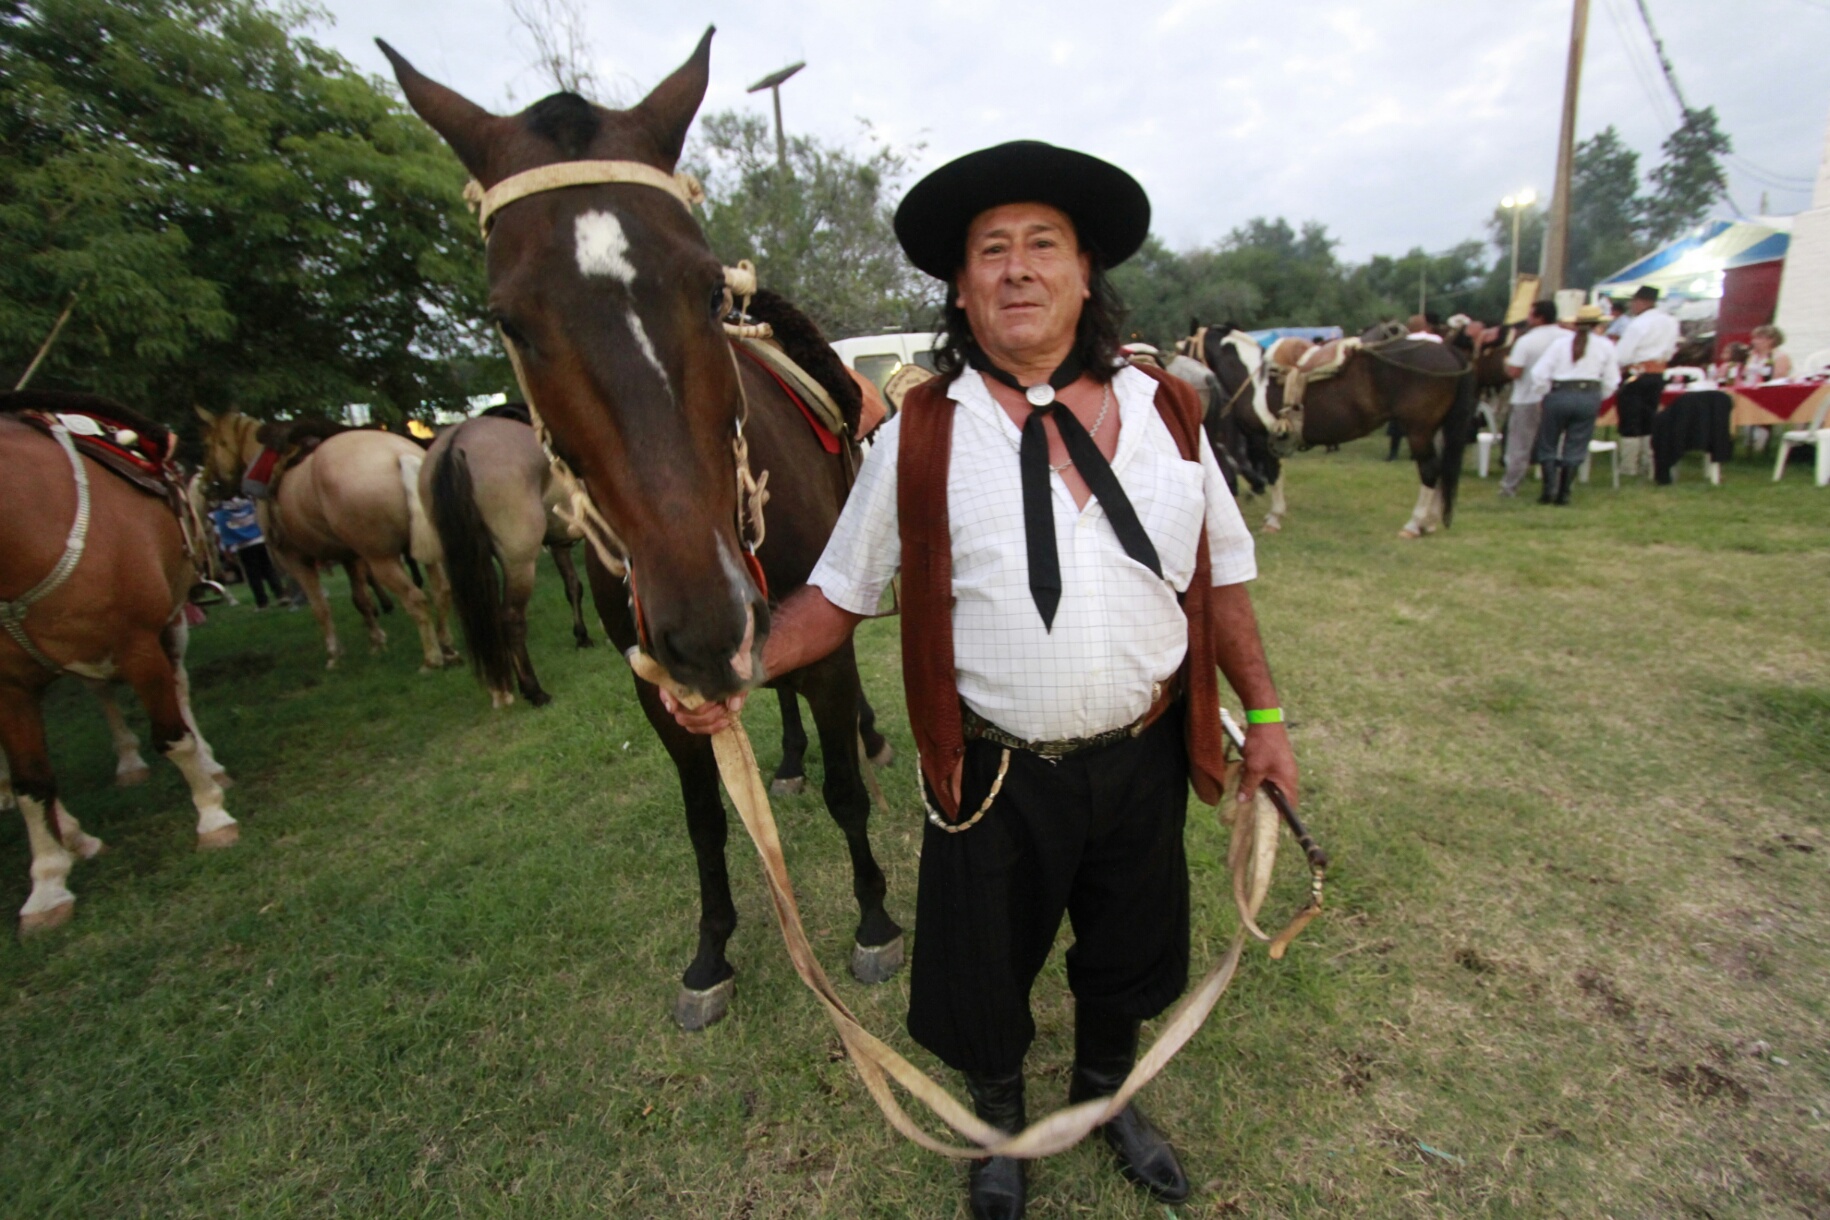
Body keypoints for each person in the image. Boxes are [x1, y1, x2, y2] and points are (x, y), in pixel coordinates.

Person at [663, 140, 1297, 1220]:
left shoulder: (1168, 415)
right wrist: (742, 663)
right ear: (961, 287)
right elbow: (838, 595)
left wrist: (1269, 718)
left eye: (1041, 245)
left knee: (1129, 951)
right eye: (989, 250)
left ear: (1083, 272)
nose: (1015, 268)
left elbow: (1220, 576)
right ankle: (1000, 1132)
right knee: (981, 972)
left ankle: (1107, 1100)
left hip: (1144, 756)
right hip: (995, 773)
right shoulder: (922, 431)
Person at [1526, 304, 1619, 505]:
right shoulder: (1606, 346)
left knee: (1548, 442)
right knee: (1576, 444)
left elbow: (1539, 373)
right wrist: (1597, 396)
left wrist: (1545, 392)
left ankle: (1548, 489)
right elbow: (1612, 380)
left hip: (1559, 393)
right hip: (1588, 394)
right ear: (1598, 324)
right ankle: (1564, 492)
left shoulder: (1560, 344)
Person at [1611, 284, 1680, 478]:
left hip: (1637, 372)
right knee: (1649, 418)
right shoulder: (1670, 321)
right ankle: (1647, 461)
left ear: (1642, 302)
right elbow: (1671, 349)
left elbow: (1623, 355)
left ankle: (1629, 465)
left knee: (1630, 418)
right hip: (1658, 373)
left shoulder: (1638, 323)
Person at [1499, 300, 1563, 498]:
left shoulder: (1526, 340)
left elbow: (1516, 371)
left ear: (1539, 317)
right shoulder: (1567, 337)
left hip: (1527, 396)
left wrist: (1506, 366)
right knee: (1556, 442)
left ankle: (1510, 485)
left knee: (1519, 445)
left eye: (1531, 314)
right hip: (1558, 395)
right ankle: (1556, 482)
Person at [209, 494, 281, 609]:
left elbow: (223, 525)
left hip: (243, 544)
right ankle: (280, 594)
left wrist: (227, 546)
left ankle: (262, 602)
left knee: (253, 575)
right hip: (259, 538)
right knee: (268, 569)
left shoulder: (223, 506)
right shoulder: (248, 498)